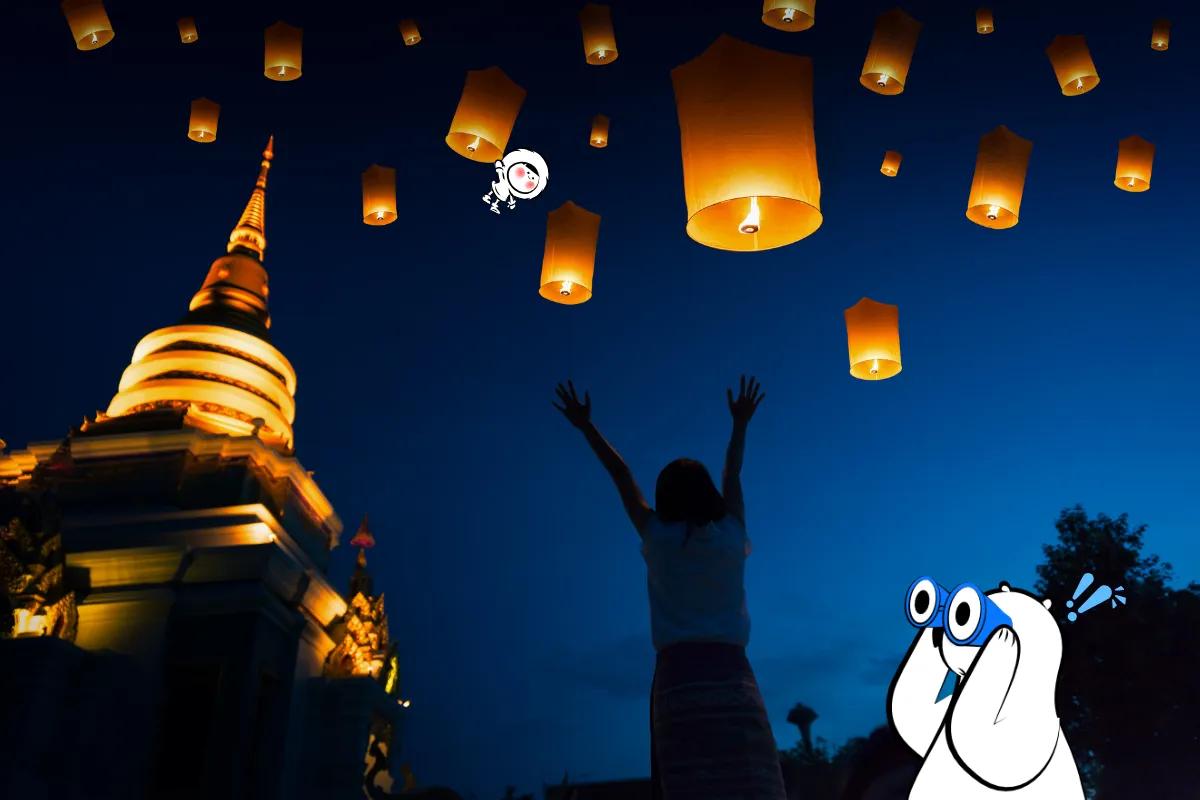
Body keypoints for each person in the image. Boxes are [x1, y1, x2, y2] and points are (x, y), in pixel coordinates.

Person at [553, 376, 786, 800]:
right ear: (709, 493)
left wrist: (586, 426)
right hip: (732, 675)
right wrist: (740, 424)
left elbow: (621, 475)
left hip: (678, 679)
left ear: (665, 497)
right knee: (752, 786)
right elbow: (733, 472)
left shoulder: (657, 536)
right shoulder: (731, 535)